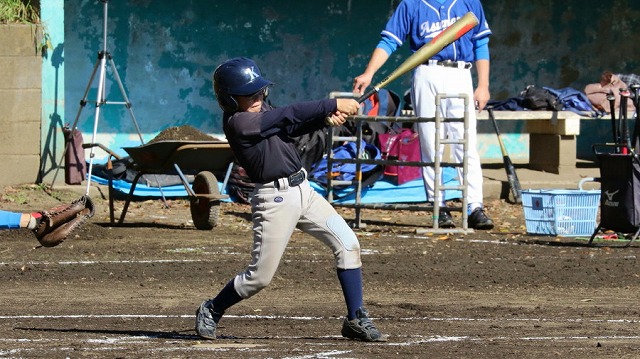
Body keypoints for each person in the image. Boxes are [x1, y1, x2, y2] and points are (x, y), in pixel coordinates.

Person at [195, 57, 386, 342]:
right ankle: (212, 308)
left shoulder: (260, 111)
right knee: (259, 278)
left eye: (259, 91)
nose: (258, 97)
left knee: (348, 244)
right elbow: (289, 115)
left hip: (304, 191)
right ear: (230, 100)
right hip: (274, 200)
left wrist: (324, 119)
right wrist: (332, 104)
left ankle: (356, 317)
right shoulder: (240, 123)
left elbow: (290, 127)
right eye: (249, 94)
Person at [353, 0, 494, 230]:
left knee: (466, 143)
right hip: (426, 72)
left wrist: (483, 85)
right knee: (430, 143)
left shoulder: (470, 2)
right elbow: (390, 40)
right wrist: (370, 73)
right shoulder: (411, 4)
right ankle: (439, 207)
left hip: (461, 72)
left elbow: (481, 42)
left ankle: (474, 206)